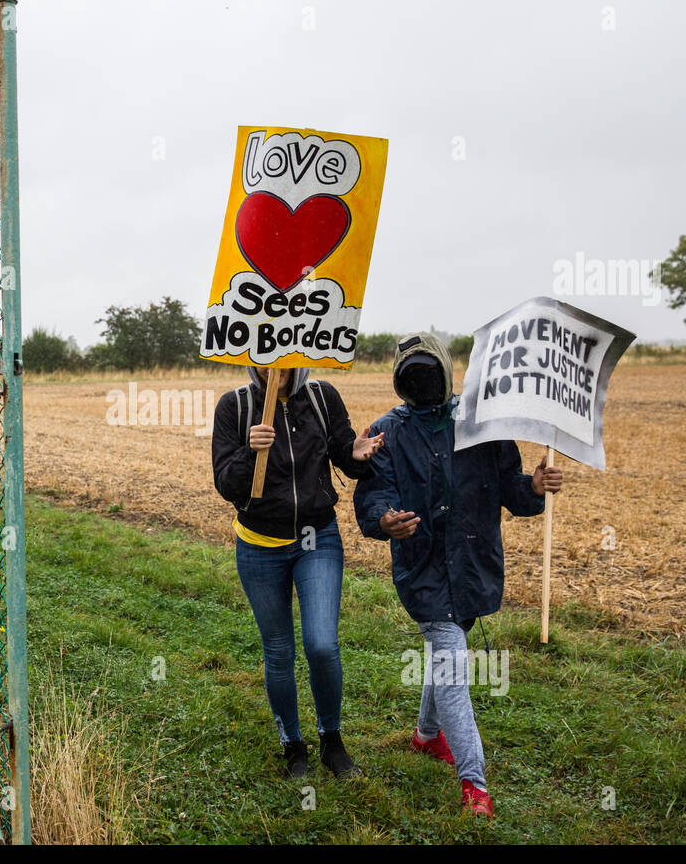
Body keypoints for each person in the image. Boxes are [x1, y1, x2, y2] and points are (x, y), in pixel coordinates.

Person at [353, 333, 563, 816]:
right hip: (423, 568)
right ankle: (475, 783)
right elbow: (373, 494)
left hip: (473, 565)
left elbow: (511, 485)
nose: (423, 380)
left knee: (446, 651)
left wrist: (532, 484)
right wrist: (384, 519)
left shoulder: (483, 422)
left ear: (447, 373)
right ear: (400, 379)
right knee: (452, 665)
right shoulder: (387, 431)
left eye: (430, 371)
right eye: (413, 373)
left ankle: (426, 736)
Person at [212, 366, 383, 780]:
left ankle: (332, 742)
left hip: (316, 538)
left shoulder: (323, 397)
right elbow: (225, 483)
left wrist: (357, 455)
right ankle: (293, 746)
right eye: (268, 356)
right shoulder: (234, 406)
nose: (278, 368)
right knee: (279, 652)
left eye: (287, 356)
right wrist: (248, 450)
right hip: (258, 546)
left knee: (322, 645)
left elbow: (345, 455)